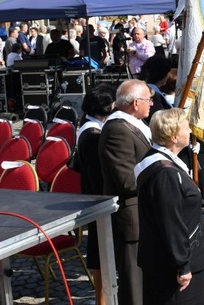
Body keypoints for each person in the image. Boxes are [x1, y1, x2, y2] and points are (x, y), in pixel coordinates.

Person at [135, 108, 204, 304]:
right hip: (171, 267)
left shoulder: (166, 163)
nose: (190, 131)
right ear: (172, 135)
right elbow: (171, 222)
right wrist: (183, 265)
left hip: (175, 259)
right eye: (186, 127)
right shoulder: (165, 174)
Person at [99, 79, 154, 305]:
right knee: (134, 285)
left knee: (146, 282)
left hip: (143, 214)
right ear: (134, 103)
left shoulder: (132, 125)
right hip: (131, 218)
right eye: (148, 100)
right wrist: (160, 175)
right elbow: (125, 180)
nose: (151, 103)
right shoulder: (117, 130)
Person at [77, 83, 117, 305]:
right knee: (99, 251)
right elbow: (97, 174)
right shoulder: (92, 135)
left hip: (94, 196)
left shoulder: (90, 126)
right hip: (97, 198)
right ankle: (102, 298)